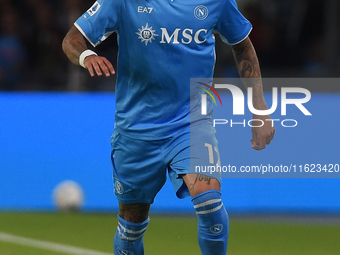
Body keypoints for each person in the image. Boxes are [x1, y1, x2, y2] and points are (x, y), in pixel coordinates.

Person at [62, 0, 275, 254]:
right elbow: (72, 40)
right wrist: (87, 56)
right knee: (131, 227)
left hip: (191, 122)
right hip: (136, 128)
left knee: (209, 202)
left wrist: (260, 108)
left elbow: (243, 47)